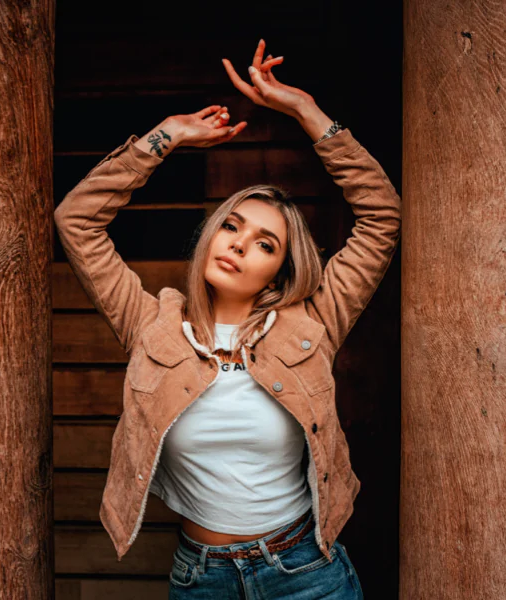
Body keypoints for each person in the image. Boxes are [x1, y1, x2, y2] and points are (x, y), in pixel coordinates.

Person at [54, 38, 401, 599]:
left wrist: (304, 111)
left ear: (279, 272)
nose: (238, 245)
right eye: (232, 226)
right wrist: (165, 136)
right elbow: (77, 221)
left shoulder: (312, 325)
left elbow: (380, 217)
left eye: (265, 243)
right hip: (202, 578)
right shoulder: (153, 326)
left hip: (307, 574)